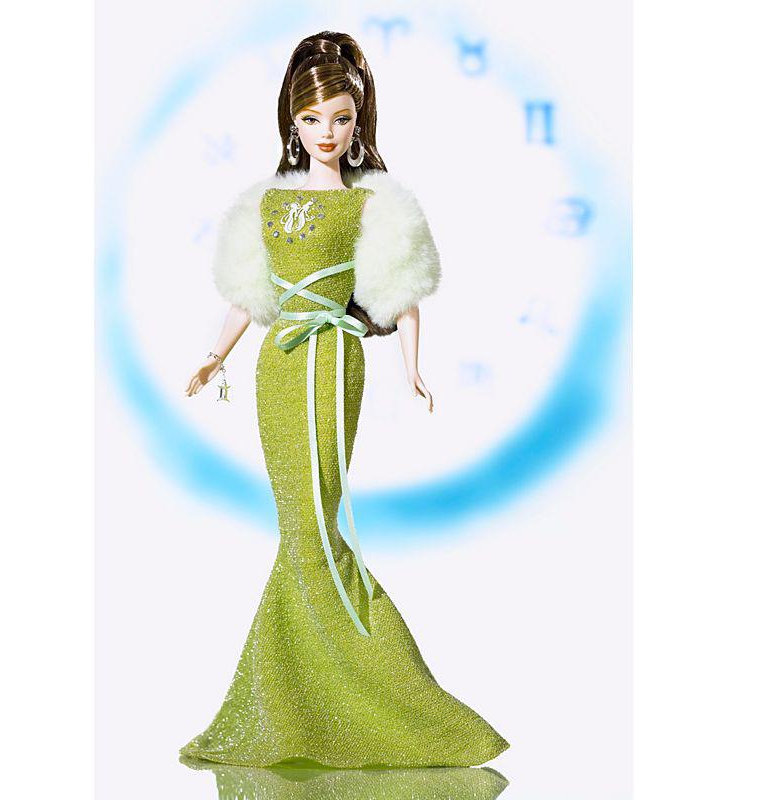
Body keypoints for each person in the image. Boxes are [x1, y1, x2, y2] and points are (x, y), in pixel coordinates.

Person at [181, 30, 509, 769]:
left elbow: (402, 291)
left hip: (332, 362)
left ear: (358, 122)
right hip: (277, 365)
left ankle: (387, 698)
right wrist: (213, 356)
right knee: (298, 526)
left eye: (340, 119)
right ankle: (298, 701)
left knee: (316, 526)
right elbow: (247, 294)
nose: (326, 133)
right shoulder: (267, 202)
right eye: (312, 120)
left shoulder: (373, 204)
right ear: (291, 123)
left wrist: (414, 368)